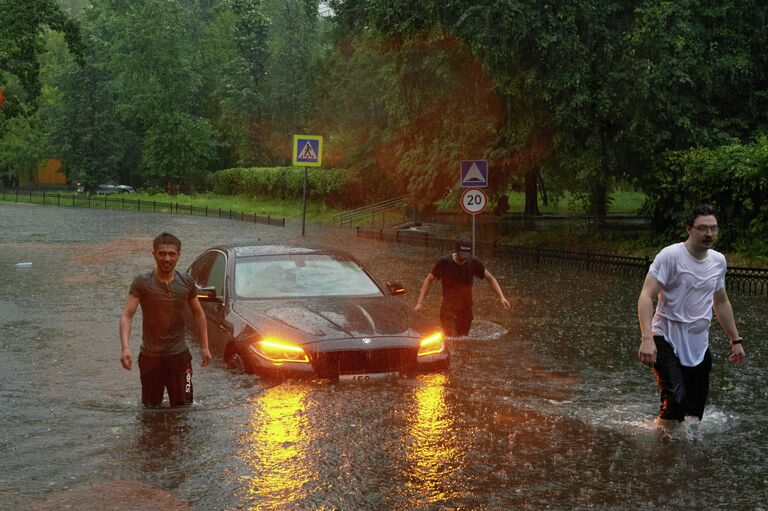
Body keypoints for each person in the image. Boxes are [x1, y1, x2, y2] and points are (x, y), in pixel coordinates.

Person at [637, 204, 745, 429]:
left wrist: (735, 340)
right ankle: (659, 452)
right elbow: (646, 296)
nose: (709, 234)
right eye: (703, 228)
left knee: (694, 414)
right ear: (689, 229)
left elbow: (721, 301)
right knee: (674, 403)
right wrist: (647, 338)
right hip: (664, 336)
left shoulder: (718, 261)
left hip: (698, 343)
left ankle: (688, 458)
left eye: (714, 229)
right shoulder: (671, 256)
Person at [119, 232, 212, 407]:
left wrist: (205, 347)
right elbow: (127, 315)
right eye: (162, 253)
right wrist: (125, 348)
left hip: (179, 357)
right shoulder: (142, 283)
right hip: (150, 357)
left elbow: (199, 313)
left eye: (171, 254)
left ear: (179, 255)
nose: (166, 258)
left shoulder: (186, 282)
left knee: (183, 406)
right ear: (154, 254)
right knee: (150, 407)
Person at [415, 236, 511, 336]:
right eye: (462, 255)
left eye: (466, 255)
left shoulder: (473, 262)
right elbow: (428, 280)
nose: (464, 258)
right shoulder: (444, 262)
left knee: (463, 338)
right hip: (448, 308)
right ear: (455, 250)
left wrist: (502, 297)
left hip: (466, 308)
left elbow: (490, 278)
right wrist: (420, 303)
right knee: (450, 339)